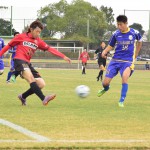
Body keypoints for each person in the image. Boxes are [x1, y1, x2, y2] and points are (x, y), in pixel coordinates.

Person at [0, 20, 71, 106]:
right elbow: (8, 46)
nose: (38, 34)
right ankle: (43, 98)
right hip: (19, 60)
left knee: (41, 84)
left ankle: (23, 96)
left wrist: (63, 56)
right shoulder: (21, 37)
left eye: (40, 32)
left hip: (28, 63)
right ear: (31, 29)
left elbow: (50, 49)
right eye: (37, 31)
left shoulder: (38, 41)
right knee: (31, 79)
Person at [97, 15, 142, 107]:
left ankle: (121, 101)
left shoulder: (134, 32)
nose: (119, 26)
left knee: (125, 78)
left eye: (120, 24)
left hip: (128, 61)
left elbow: (140, 41)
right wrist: (105, 51)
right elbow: (111, 45)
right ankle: (106, 88)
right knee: (105, 82)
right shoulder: (116, 34)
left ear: (126, 23)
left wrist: (136, 53)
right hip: (115, 60)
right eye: (117, 24)